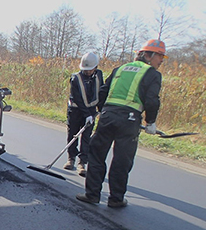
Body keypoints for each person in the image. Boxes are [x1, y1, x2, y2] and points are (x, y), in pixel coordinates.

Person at [76, 39, 166, 208]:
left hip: (108, 116)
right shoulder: (152, 74)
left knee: (97, 155)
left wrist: (104, 110)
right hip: (129, 120)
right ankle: (116, 199)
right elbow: (152, 100)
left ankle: (91, 194)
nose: (161, 60)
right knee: (122, 160)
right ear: (148, 55)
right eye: (160, 56)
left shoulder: (120, 69)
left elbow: (103, 91)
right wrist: (151, 122)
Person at [63, 52, 104, 177]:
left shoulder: (99, 76)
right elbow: (79, 99)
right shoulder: (75, 78)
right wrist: (86, 114)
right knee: (73, 134)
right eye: (85, 70)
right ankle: (71, 159)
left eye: (90, 70)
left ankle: (82, 163)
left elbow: (101, 92)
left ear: (95, 68)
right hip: (75, 111)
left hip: (91, 112)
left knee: (87, 137)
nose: (87, 72)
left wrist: (101, 110)